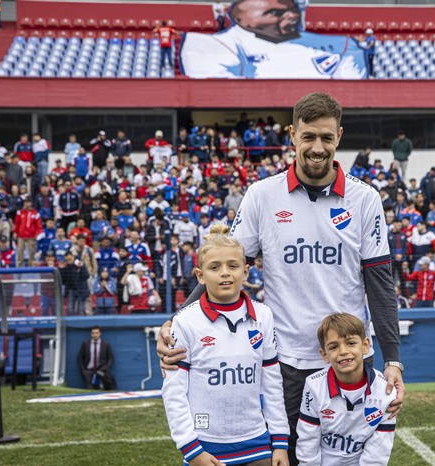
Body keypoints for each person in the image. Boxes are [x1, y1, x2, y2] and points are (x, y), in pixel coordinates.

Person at [158, 92, 402, 465]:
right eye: (308, 137)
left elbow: (380, 284)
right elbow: (222, 266)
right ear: (292, 135)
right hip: (286, 362)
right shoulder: (262, 196)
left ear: (339, 136)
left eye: (326, 137)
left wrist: (393, 360)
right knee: (285, 457)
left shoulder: (365, 199)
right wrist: (177, 322)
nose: (317, 147)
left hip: (348, 360)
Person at [161, 225, 289, 466]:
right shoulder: (185, 321)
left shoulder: (264, 316)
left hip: (257, 443)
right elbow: (174, 391)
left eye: (233, 265)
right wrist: (190, 448)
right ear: (200, 275)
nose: (225, 273)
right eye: (214, 267)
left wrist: (280, 440)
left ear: (246, 271)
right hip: (205, 445)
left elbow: (272, 382)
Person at [296, 313, 396, 465]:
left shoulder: (386, 392)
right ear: (325, 355)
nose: (343, 351)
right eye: (334, 346)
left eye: (350, 343)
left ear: (365, 346)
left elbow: (377, 454)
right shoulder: (314, 386)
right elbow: (308, 442)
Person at [179, 0, 368, 79]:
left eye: (292, 10)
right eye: (275, 13)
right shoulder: (218, 44)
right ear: (242, 19)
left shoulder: (341, 46)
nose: (291, 16)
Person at [12, 197, 42, 267]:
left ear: (31, 203)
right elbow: (17, 223)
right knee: (20, 252)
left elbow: (39, 226)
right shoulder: (20, 212)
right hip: (21, 236)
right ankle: (19, 268)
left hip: (31, 236)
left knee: (32, 252)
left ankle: (31, 267)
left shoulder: (35, 213)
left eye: (28, 202)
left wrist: (36, 234)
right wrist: (15, 232)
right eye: (25, 202)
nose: (27, 204)